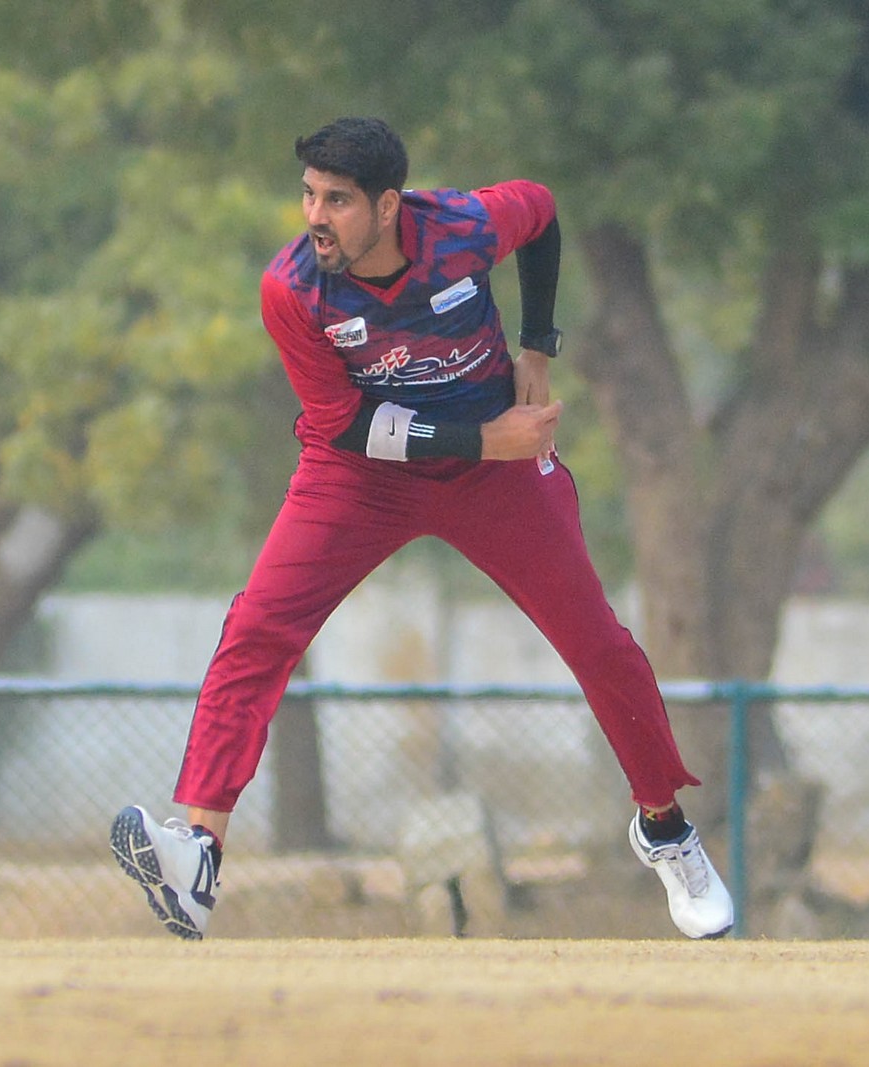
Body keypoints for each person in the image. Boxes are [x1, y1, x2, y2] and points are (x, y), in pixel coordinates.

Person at [109, 116, 733, 941]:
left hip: (495, 477)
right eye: (309, 196)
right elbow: (346, 425)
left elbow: (542, 210)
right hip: (360, 473)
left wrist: (537, 347)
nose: (315, 217)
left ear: (388, 205)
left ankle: (666, 830)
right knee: (256, 628)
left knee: (600, 645)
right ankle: (198, 855)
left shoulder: (463, 229)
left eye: (337, 200)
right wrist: (486, 437)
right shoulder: (293, 289)